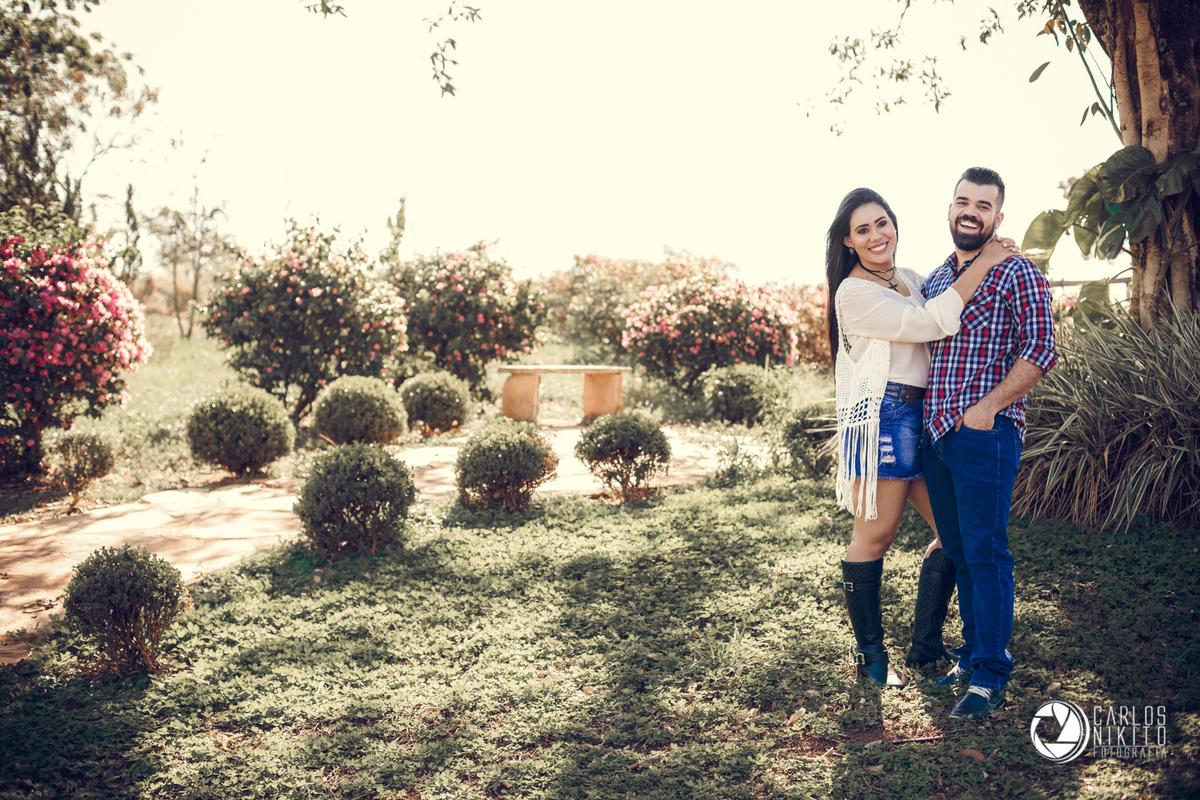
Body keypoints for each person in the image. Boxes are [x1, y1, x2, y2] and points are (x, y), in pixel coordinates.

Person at [824, 187, 1018, 688]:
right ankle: (871, 657)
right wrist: (989, 258)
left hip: (926, 415)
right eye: (862, 229)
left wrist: (988, 258)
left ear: (894, 225)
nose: (875, 236)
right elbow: (933, 323)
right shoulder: (854, 292)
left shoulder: (909, 277)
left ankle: (924, 644)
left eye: (882, 223)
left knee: (955, 538)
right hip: (883, 417)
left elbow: (947, 297)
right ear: (848, 241)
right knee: (876, 535)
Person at [920, 167, 1057, 719]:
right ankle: (974, 657)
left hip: (985, 436)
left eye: (983, 204)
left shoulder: (1018, 272)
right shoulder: (934, 282)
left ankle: (991, 675)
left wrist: (988, 408)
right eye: (962, 201)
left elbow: (1042, 347)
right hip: (935, 438)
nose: (970, 211)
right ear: (950, 210)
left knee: (986, 551)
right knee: (958, 552)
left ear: (998, 218)